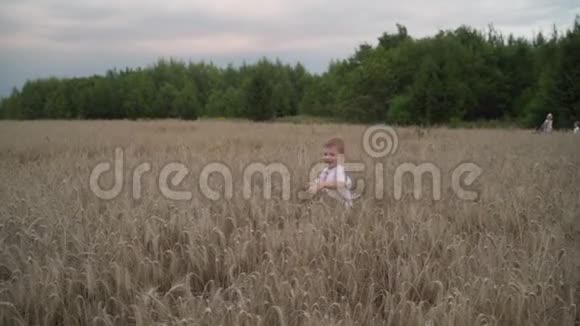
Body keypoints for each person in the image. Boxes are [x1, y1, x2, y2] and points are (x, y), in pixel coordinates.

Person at [307, 138, 353, 208]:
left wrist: (323, 184)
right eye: (325, 154)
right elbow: (320, 181)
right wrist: (313, 184)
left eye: (332, 155)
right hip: (331, 203)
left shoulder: (340, 170)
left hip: (343, 205)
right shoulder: (325, 171)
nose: (328, 157)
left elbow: (340, 184)